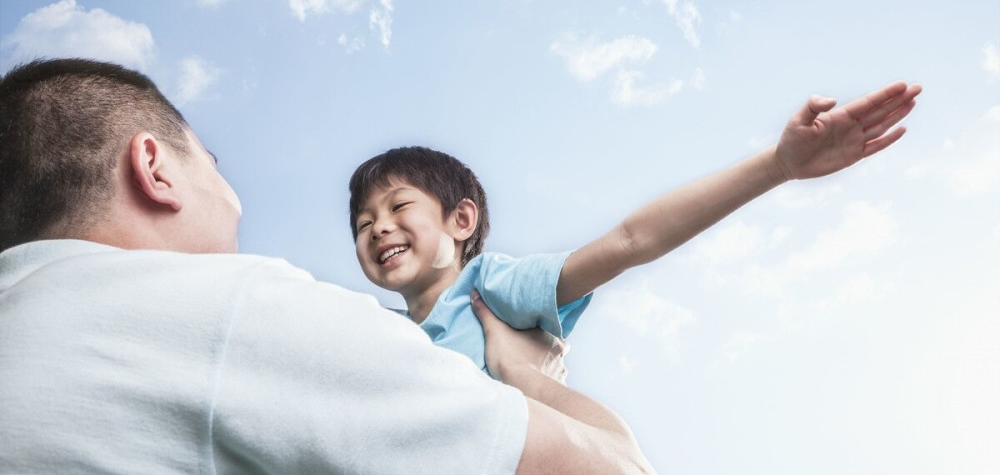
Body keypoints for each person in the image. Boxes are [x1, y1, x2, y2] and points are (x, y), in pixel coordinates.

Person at [0, 58, 654, 475]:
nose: (234, 201)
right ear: (154, 167)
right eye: (213, 165)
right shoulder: (239, 312)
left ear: (463, 221)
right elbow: (618, 469)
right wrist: (525, 377)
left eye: (399, 208)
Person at [349, 81, 922, 372]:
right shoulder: (381, 339)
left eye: (398, 207)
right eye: (363, 221)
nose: (378, 228)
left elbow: (629, 242)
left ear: (461, 219)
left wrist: (777, 167)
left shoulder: (487, 289)